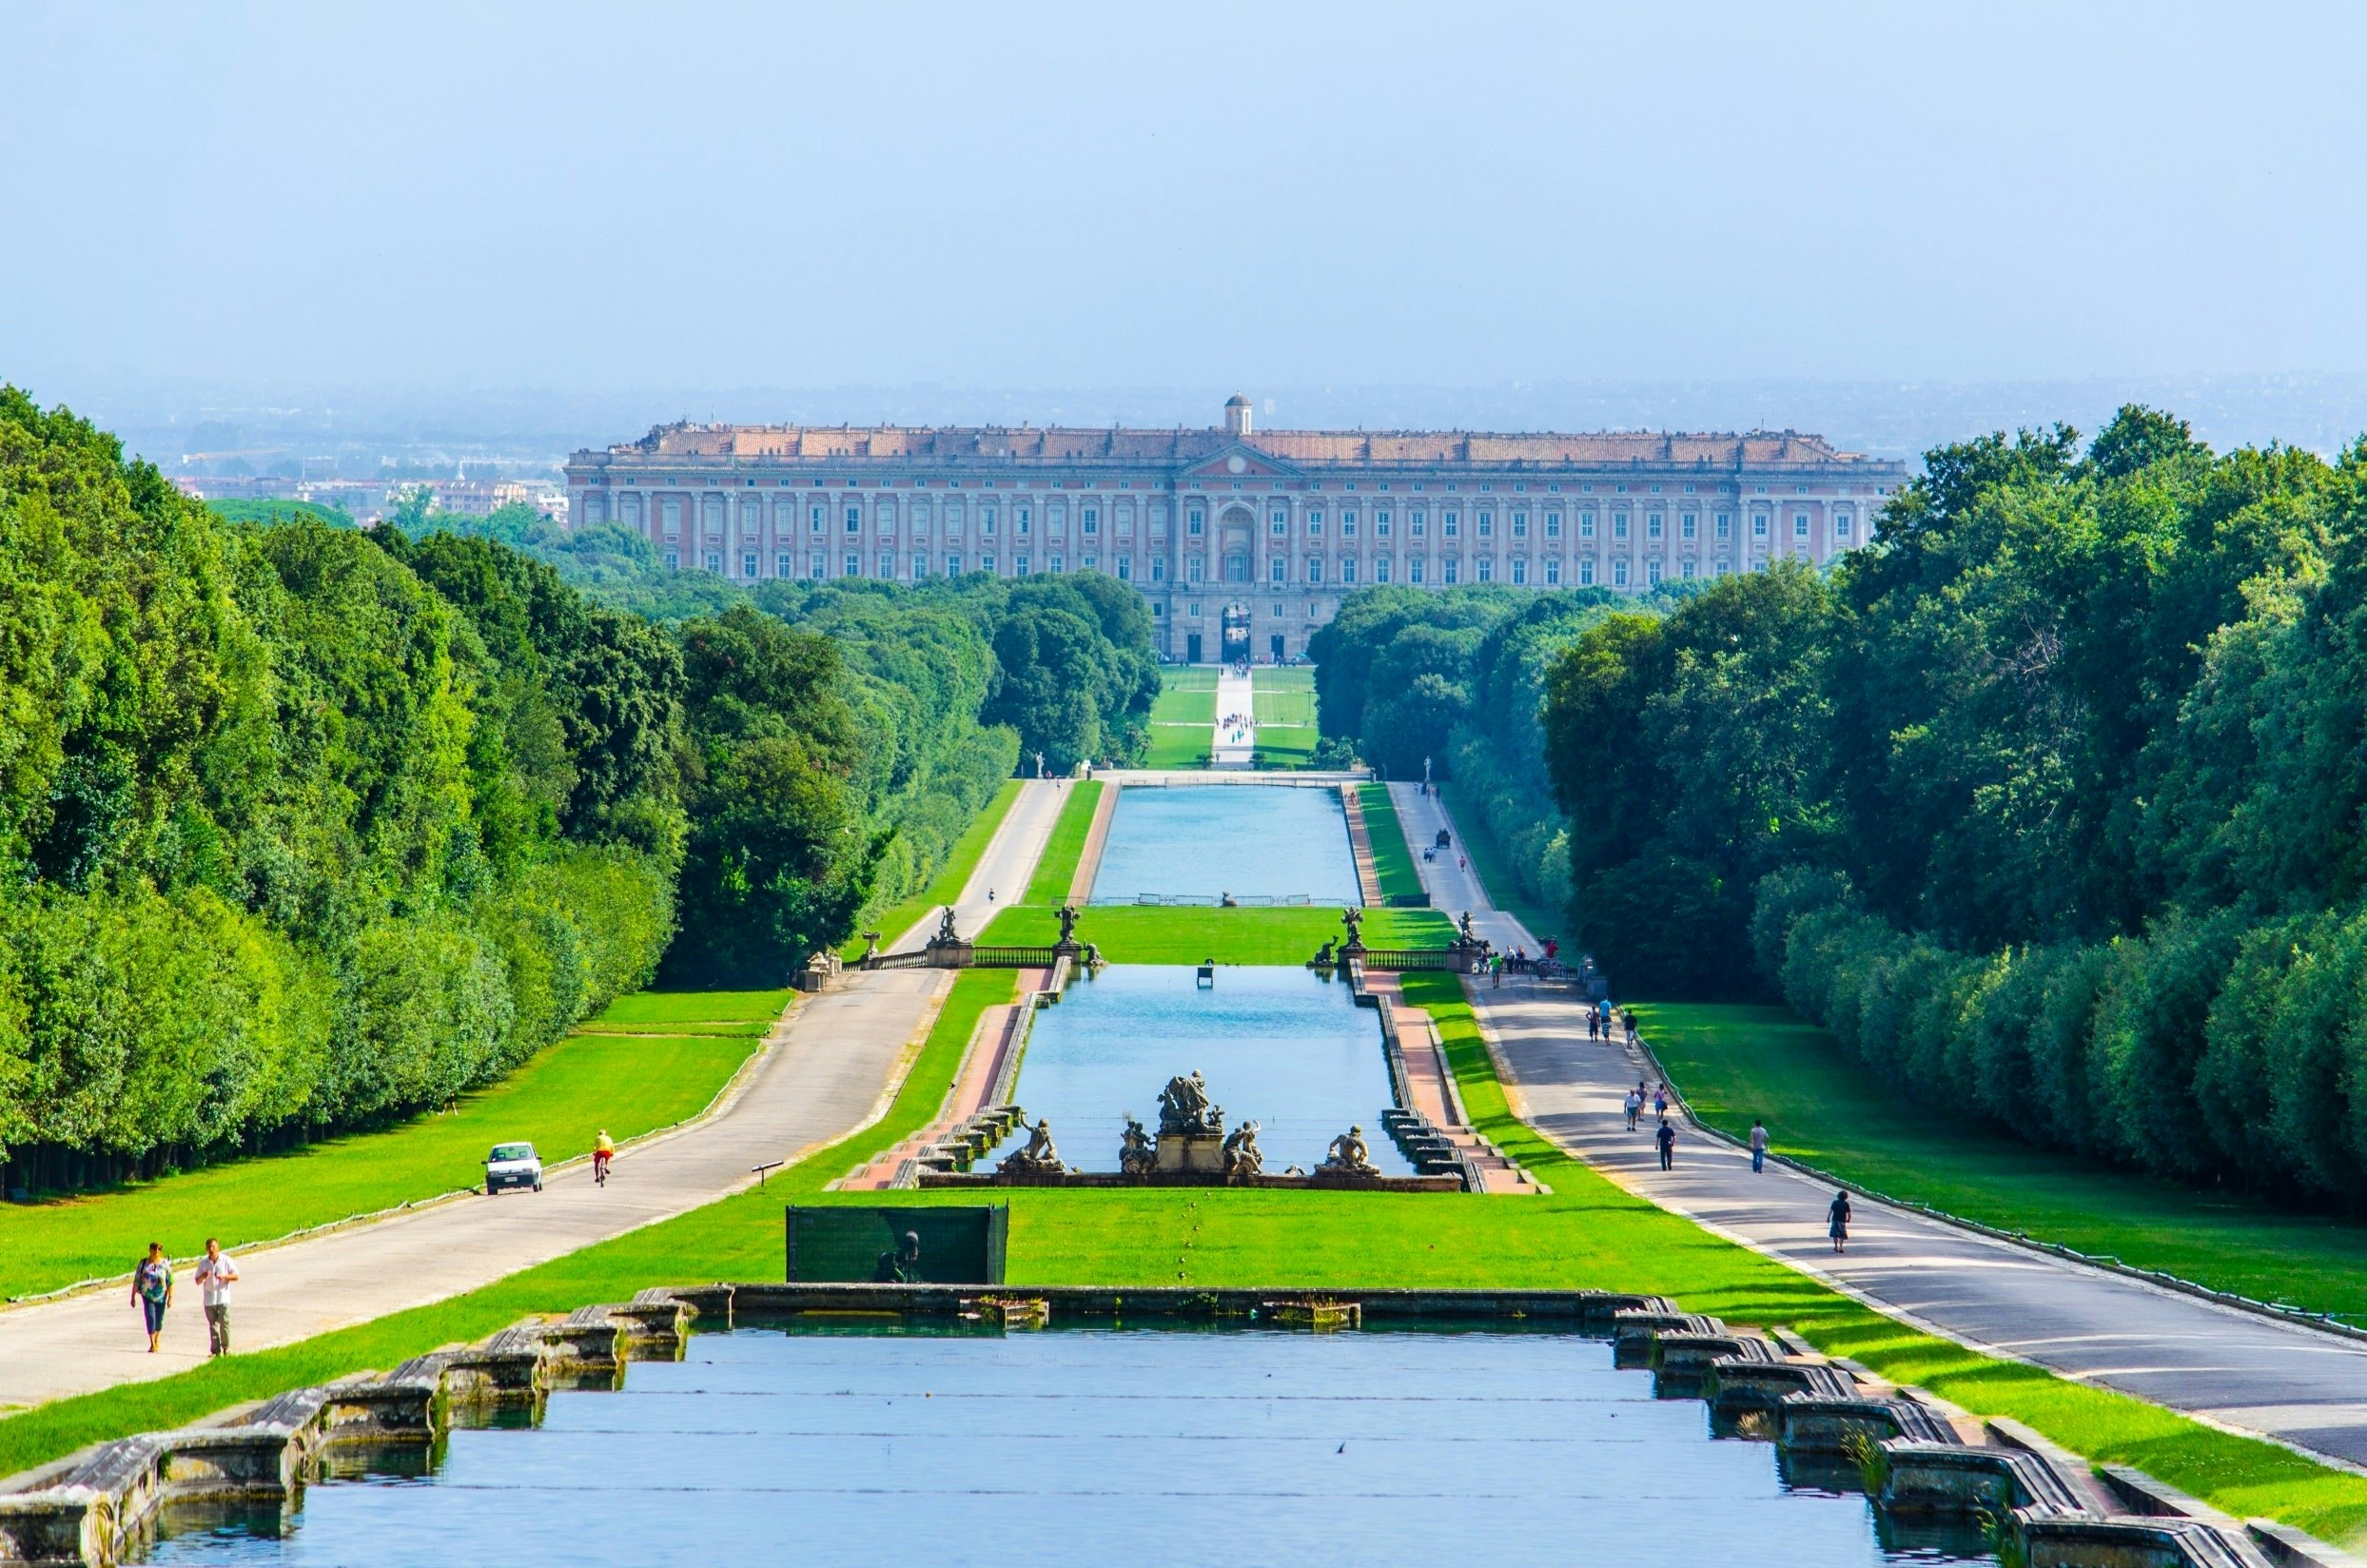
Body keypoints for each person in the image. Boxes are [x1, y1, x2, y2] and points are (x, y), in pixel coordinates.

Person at [193, 1238, 239, 1357]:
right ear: (206, 1249)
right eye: (209, 1247)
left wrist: (224, 1276)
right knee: (213, 1325)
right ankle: (215, 1350)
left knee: (224, 1322)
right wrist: (203, 1276)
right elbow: (197, 1281)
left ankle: (226, 1348)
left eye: (213, 1246)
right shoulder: (204, 1263)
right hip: (209, 1298)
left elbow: (236, 1276)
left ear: (218, 1247)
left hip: (223, 1297)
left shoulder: (226, 1260)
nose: (211, 1249)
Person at [130, 1243, 172, 1353]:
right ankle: (152, 1344)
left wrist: (171, 1297)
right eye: (154, 1248)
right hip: (147, 1295)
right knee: (150, 1317)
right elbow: (137, 1280)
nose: (156, 1251)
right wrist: (133, 1296)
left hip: (161, 1295)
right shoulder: (143, 1263)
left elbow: (170, 1281)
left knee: (159, 1320)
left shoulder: (165, 1263)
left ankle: (156, 1338)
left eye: (159, 1249)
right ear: (149, 1250)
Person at [1828, 1189, 1853, 1254]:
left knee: (1835, 1234)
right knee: (1841, 1235)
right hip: (1842, 1221)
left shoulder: (1835, 1202)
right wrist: (1848, 1219)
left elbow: (1831, 1211)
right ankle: (1841, 1247)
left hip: (1835, 1220)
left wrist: (1828, 1218)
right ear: (1846, 1197)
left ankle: (1836, 1246)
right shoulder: (1846, 1204)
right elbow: (1849, 1214)